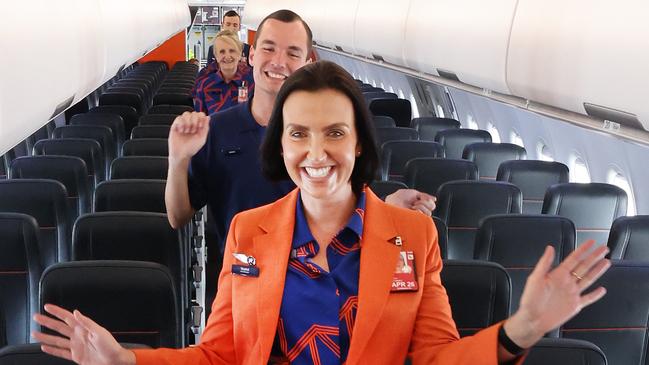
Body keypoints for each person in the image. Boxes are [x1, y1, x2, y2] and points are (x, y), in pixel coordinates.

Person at [34, 60, 611, 365]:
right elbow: (219, 356)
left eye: (335, 133)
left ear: (358, 142)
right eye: (298, 135)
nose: (316, 153)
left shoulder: (412, 236)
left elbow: (436, 357)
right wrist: (126, 362)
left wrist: (521, 330)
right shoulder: (248, 231)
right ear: (281, 147)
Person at [192, 29, 254, 115]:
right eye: (222, 52)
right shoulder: (204, 86)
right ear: (216, 56)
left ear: (240, 54)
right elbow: (200, 122)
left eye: (232, 51)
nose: (227, 56)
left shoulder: (254, 82)